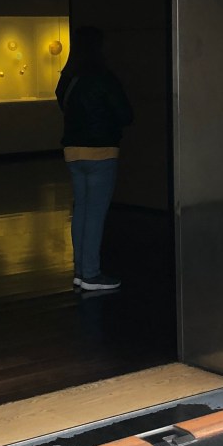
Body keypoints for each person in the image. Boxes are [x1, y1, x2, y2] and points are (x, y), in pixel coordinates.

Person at [56, 26, 133, 293]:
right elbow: (126, 114)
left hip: (72, 152)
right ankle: (90, 273)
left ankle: (80, 271)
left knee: (81, 211)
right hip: (101, 152)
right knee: (95, 214)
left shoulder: (68, 78)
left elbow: (62, 103)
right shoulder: (104, 78)